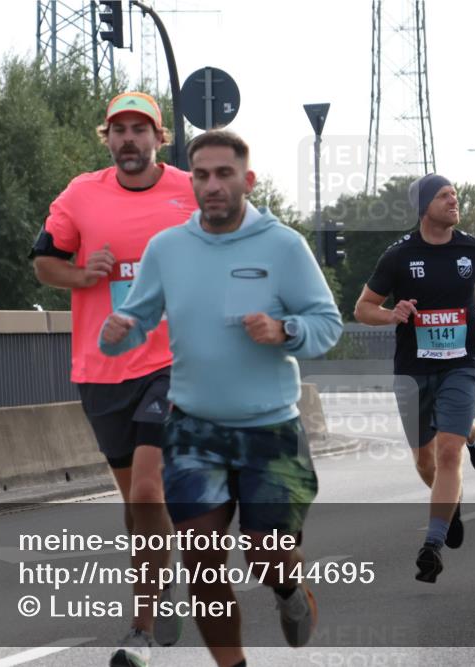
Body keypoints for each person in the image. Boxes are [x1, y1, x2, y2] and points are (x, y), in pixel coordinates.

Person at [100, 129, 342, 667]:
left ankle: (288, 588)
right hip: (193, 427)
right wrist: (120, 330)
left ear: (247, 180)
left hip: (269, 427)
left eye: (224, 174)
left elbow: (328, 324)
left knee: (266, 553)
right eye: (202, 175)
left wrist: (285, 331)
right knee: (203, 561)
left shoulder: (283, 246)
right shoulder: (167, 249)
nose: (212, 185)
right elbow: (138, 319)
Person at [29, 92, 195, 664]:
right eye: (119, 129)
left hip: (174, 364)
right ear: (107, 138)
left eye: (140, 129)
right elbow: (43, 262)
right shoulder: (81, 194)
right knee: (135, 503)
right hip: (101, 369)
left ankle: (141, 631)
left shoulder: (189, 192)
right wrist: (81, 274)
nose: (129, 138)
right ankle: (162, 578)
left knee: (149, 489)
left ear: (159, 138)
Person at [354, 173, 475, 583]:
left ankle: (433, 544)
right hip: (413, 369)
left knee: (448, 453)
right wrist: (392, 314)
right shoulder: (398, 257)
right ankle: (454, 495)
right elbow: (362, 308)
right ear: (424, 205)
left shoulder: (472, 248)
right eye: (445, 196)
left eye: (455, 196)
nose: (454, 201)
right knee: (425, 460)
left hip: (462, 362)